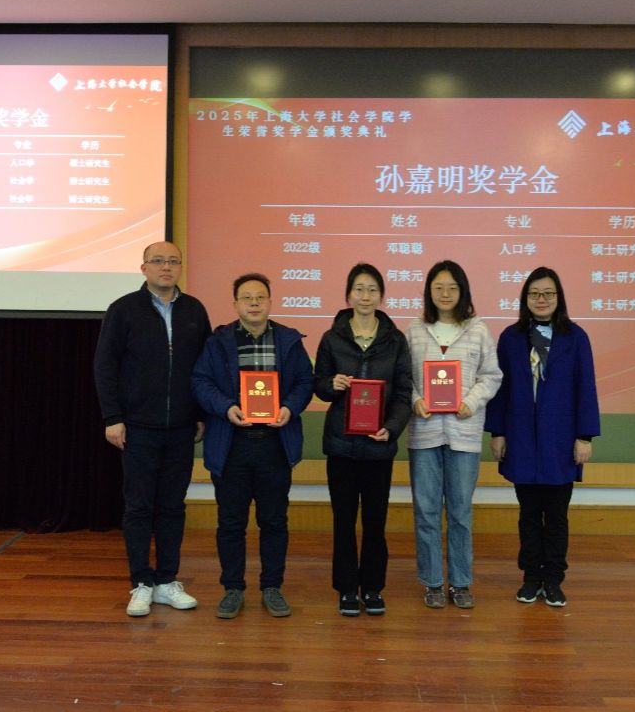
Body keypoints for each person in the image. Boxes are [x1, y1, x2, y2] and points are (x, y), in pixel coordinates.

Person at [94, 241, 211, 618]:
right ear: (143, 268)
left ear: (181, 267)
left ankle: (166, 580)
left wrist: (201, 414)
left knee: (173, 506)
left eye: (173, 261)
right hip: (137, 427)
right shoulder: (123, 309)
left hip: (181, 428)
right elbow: (105, 365)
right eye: (158, 261)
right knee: (139, 506)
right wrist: (112, 417)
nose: (166, 267)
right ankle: (141, 582)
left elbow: (204, 368)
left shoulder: (194, 310)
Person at [192, 273, 314, 619]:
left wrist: (289, 407)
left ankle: (272, 586)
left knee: (274, 521)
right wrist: (225, 407)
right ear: (235, 304)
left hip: (274, 444)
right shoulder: (218, 342)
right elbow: (200, 382)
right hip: (232, 444)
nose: (254, 303)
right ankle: (233, 588)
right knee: (231, 522)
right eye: (247, 297)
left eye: (260, 297)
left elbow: (305, 381)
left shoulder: (289, 340)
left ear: (271, 302)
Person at [486, 267, 599, 608]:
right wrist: (498, 432)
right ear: (525, 298)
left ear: (558, 297)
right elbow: (500, 388)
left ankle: (553, 579)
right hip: (521, 439)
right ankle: (530, 577)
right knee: (529, 515)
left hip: (560, 441)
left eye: (548, 293)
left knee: (557, 516)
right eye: (534, 293)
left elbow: (586, 388)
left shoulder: (575, 337)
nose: (541, 299)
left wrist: (584, 436)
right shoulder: (511, 338)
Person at [313, 263, 412, 617]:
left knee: (375, 521)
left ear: (381, 296)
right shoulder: (332, 338)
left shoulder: (395, 340)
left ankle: (372, 587)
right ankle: (345, 588)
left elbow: (403, 393)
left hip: (378, 445)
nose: (365, 296)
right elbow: (319, 385)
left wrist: (392, 428)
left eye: (372, 290)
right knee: (343, 521)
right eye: (359, 289)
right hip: (341, 444)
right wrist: (332, 384)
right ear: (348, 295)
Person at [406, 260, 502, 609]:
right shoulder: (414, 330)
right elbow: (403, 377)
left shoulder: (478, 329)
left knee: (460, 512)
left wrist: (471, 402)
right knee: (426, 511)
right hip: (424, 433)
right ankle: (432, 582)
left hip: (464, 433)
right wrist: (415, 400)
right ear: (429, 292)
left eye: (452, 287)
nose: (445, 294)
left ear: (463, 291)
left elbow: (491, 375)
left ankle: (460, 582)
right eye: (438, 287)